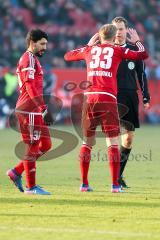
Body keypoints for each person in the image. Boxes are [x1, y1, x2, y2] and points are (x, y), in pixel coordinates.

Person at [64, 24, 148, 193]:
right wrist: (137, 41)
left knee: (87, 142)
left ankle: (84, 184)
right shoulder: (117, 51)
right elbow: (142, 55)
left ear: (99, 36)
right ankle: (115, 185)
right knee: (112, 143)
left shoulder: (89, 50)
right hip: (108, 98)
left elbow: (67, 56)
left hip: (90, 99)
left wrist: (88, 45)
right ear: (114, 36)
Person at [7, 29, 54, 195]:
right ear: (32, 42)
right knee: (32, 147)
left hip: (33, 108)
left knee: (46, 144)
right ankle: (31, 187)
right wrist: (42, 108)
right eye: (42, 44)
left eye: (46, 44)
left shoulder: (33, 59)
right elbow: (29, 86)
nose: (45, 47)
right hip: (29, 109)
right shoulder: (29, 59)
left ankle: (16, 171)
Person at [112, 17, 150, 188]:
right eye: (116, 29)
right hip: (113, 95)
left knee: (128, 139)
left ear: (126, 30)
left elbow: (141, 74)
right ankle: (113, 179)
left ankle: (117, 176)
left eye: (121, 29)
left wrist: (146, 96)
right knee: (113, 136)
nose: (118, 32)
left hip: (130, 96)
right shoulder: (106, 49)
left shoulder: (134, 49)